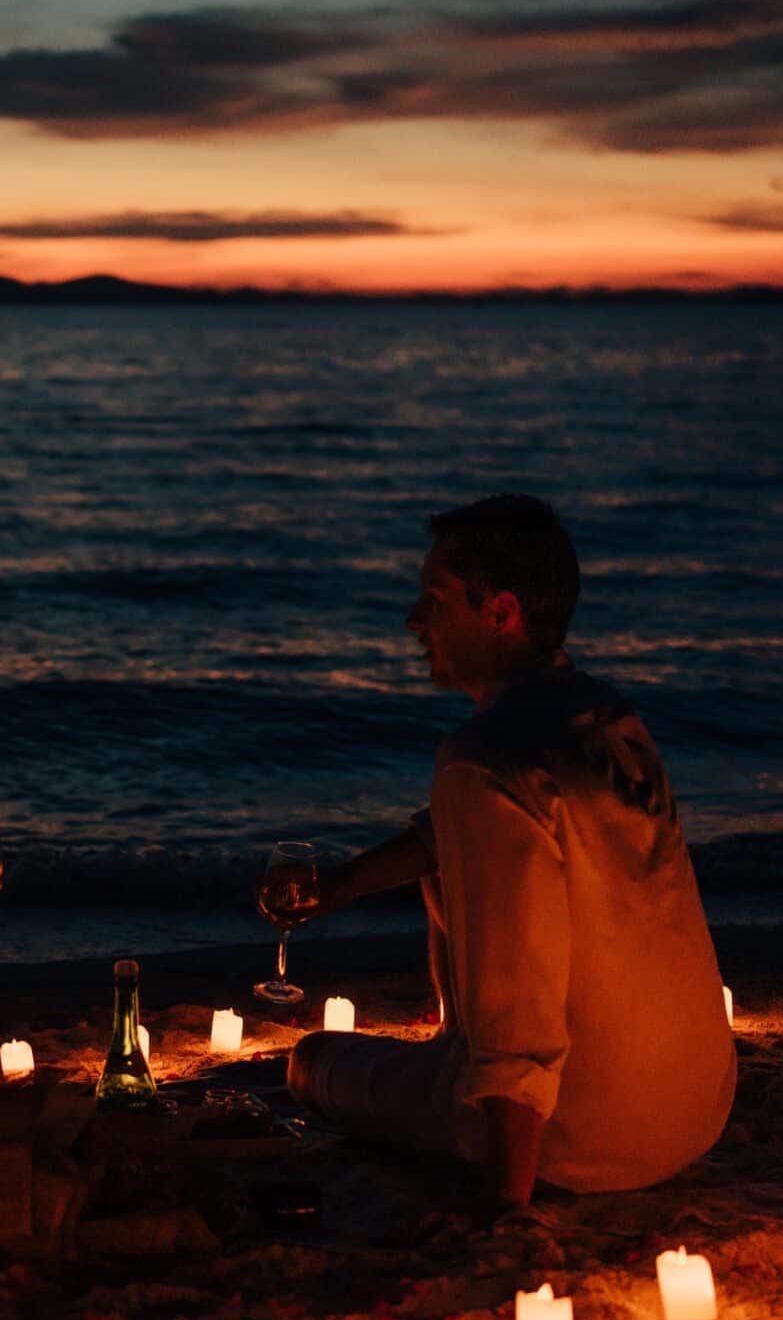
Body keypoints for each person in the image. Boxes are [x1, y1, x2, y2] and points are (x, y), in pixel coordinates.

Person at [287, 495, 735, 1207]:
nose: (414, 622)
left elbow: (515, 1001)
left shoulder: (482, 761)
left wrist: (507, 1209)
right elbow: (453, 837)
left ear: (499, 613)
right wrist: (346, 883)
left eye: (433, 602)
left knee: (312, 1062)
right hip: (697, 1108)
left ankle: (480, 1122)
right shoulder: (610, 721)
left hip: (580, 1136)